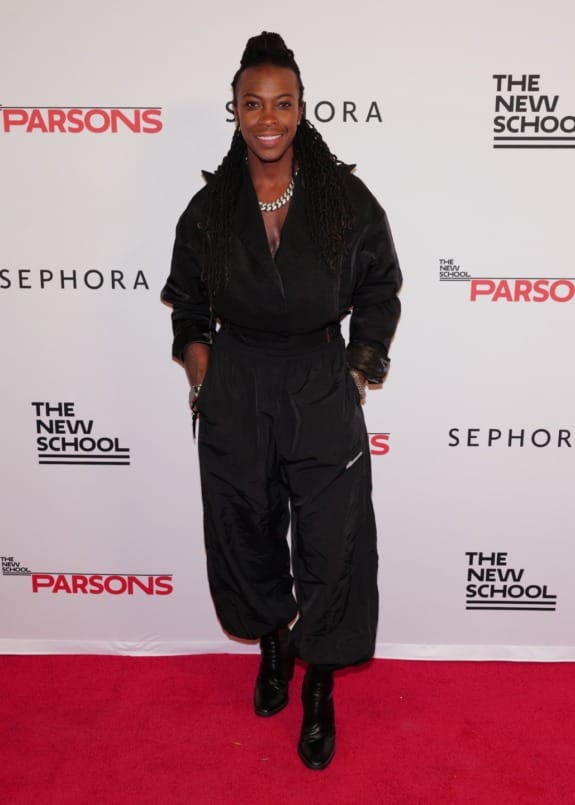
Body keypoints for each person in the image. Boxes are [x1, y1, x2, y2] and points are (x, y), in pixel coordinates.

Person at [161, 31, 402, 770]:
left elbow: (378, 289)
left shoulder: (343, 198)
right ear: (233, 110)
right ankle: (272, 644)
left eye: (283, 103)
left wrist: (355, 371)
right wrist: (205, 380)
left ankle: (319, 684)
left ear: (302, 108)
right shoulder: (208, 208)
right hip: (237, 381)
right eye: (253, 103)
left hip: (316, 377)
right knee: (244, 527)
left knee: (332, 543)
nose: (269, 118)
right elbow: (187, 313)